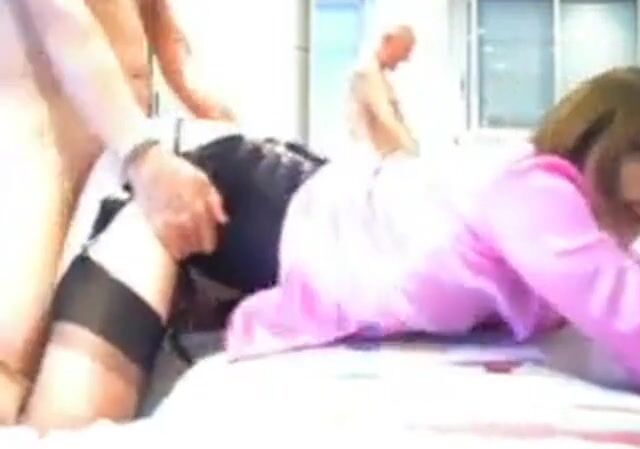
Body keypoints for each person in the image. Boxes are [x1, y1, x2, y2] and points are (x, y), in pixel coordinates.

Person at [24, 66, 640, 430]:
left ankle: (370, 97)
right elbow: (621, 309)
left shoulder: (548, 212)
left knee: (393, 181)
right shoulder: (537, 190)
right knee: (64, 414)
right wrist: (145, 155)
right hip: (239, 186)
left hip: (306, 205)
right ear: (609, 138)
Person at [0, 0, 232, 424]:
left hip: (113, 159)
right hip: (39, 154)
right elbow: (64, 27)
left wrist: (215, 119)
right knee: (14, 351)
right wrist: (144, 155)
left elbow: (161, 26)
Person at [347, 24, 418, 157]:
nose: (406, 58)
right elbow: (386, 117)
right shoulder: (366, 73)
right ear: (388, 42)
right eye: (405, 50)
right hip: (370, 157)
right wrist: (412, 149)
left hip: (381, 156)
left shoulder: (379, 76)